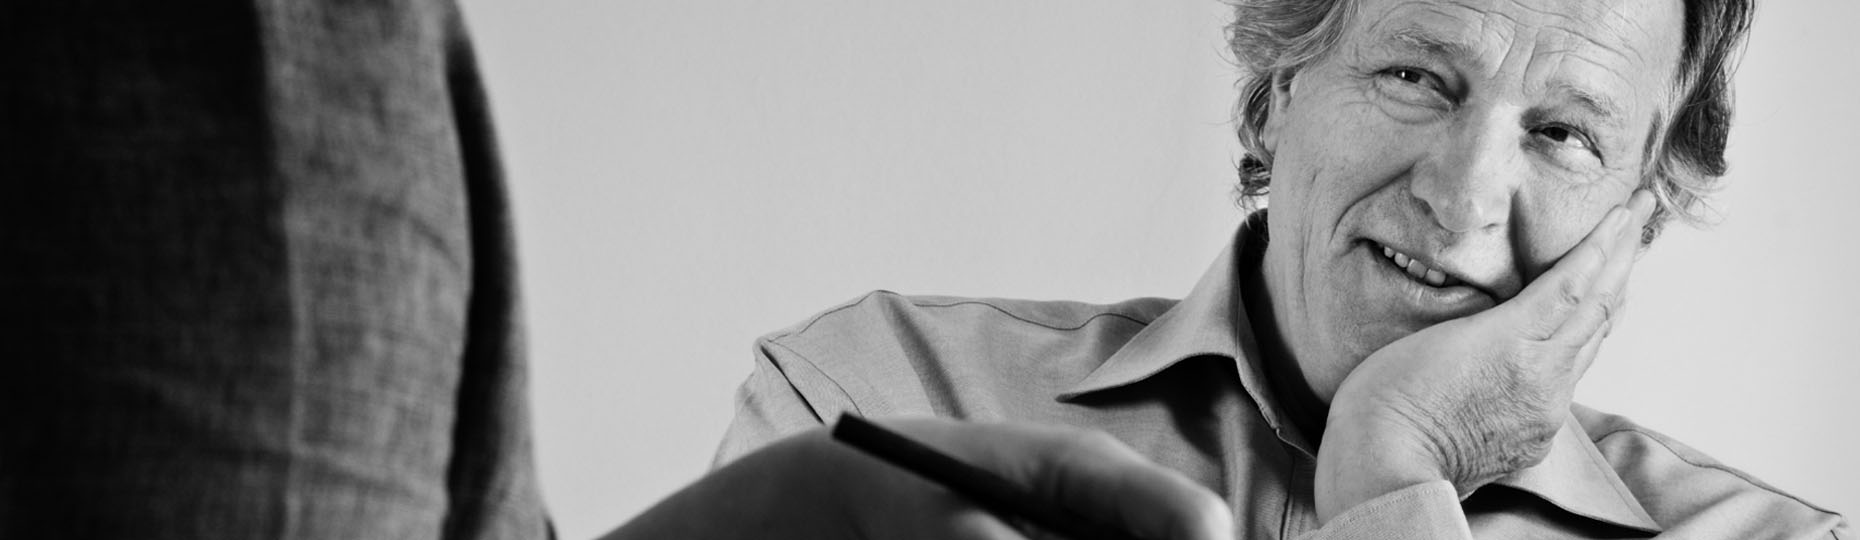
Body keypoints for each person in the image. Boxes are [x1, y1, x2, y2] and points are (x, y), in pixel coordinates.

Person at [703, 0, 1854, 538]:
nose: (1462, 196)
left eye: (1564, 133)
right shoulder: (881, 401)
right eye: (1416, 76)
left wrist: (1392, 471)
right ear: (1271, 103)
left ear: (1637, 219)